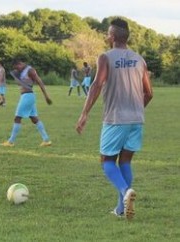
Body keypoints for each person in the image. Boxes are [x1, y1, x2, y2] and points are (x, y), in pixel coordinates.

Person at [75, 18, 153, 220]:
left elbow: (97, 85)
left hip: (115, 119)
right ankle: (120, 209)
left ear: (113, 37)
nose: (106, 36)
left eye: (108, 33)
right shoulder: (140, 60)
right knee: (125, 161)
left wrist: (84, 113)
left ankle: (126, 191)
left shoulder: (105, 57)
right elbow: (149, 93)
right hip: (136, 120)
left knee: (106, 161)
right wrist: (135, 110)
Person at [0, 57, 52, 147]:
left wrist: (46, 96)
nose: (16, 69)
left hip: (27, 96)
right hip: (26, 96)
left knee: (17, 118)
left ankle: (11, 141)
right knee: (34, 118)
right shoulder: (22, 71)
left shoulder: (30, 70)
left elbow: (39, 82)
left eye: (16, 67)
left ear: (19, 63)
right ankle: (46, 140)